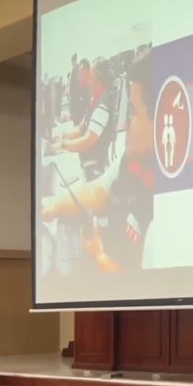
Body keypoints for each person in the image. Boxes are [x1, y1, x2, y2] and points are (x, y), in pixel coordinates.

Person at [42, 52, 155, 273]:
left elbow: (138, 283)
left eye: (133, 111)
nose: (125, 124)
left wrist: (100, 257)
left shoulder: (164, 210)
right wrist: (54, 205)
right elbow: (100, 190)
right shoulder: (134, 161)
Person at [53, 57, 115, 178]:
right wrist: (62, 136)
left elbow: (87, 142)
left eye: (90, 75)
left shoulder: (102, 106)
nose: (87, 80)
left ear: (97, 78)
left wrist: (63, 145)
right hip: (86, 156)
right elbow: (81, 128)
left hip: (93, 164)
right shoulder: (95, 99)